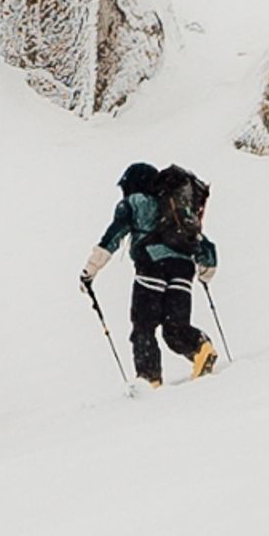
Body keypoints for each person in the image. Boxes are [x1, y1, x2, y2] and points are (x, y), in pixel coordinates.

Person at [81, 161, 218, 388]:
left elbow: (112, 238)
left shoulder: (134, 202)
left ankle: (149, 379)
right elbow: (203, 246)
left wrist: (90, 271)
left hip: (151, 267)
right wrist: (205, 272)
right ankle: (201, 349)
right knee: (175, 328)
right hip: (183, 271)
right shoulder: (176, 208)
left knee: (143, 326)